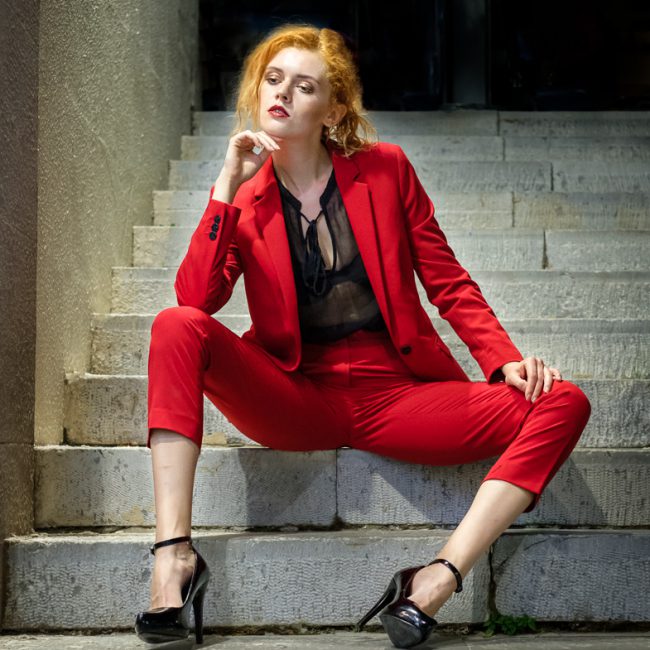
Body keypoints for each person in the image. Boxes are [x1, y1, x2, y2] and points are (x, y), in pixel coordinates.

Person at [134, 22, 592, 648]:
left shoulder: (386, 171)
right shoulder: (248, 200)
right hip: (296, 397)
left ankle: (435, 578)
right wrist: (226, 187)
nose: (282, 95)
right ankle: (174, 557)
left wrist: (503, 359)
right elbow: (196, 300)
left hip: (399, 398)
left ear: (336, 107)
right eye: (273, 80)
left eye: (304, 86)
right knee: (174, 325)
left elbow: (447, 279)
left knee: (564, 399)